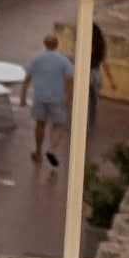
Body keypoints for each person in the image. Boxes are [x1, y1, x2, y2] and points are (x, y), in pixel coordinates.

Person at [26, 21, 76, 167]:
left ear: (44, 44)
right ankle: (52, 149)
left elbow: (27, 77)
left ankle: (38, 152)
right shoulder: (64, 61)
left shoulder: (37, 59)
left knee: (40, 124)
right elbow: (69, 80)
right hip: (57, 97)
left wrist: (23, 96)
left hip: (40, 96)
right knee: (58, 125)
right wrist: (69, 98)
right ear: (57, 44)